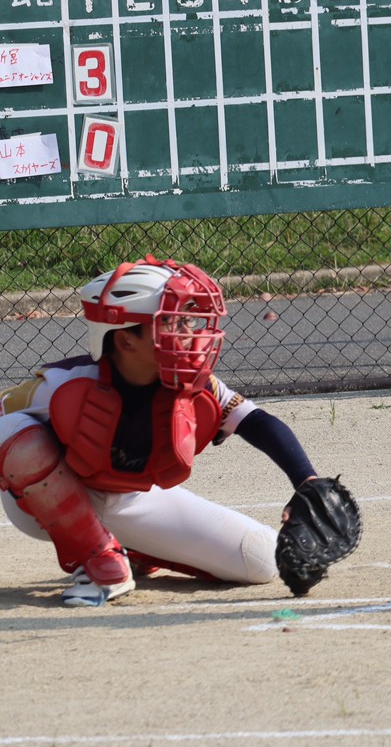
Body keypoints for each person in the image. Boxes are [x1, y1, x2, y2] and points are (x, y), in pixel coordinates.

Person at [0, 257, 338, 606]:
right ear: (126, 341)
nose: (190, 332)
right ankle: (99, 559)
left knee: (261, 560)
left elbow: (257, 422)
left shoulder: (192, 382)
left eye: (188, 319)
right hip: (47, 504)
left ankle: (133, 548)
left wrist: (307, 480)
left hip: (131, 500)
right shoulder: (65, 384)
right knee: (9, 428)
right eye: (172, 323)